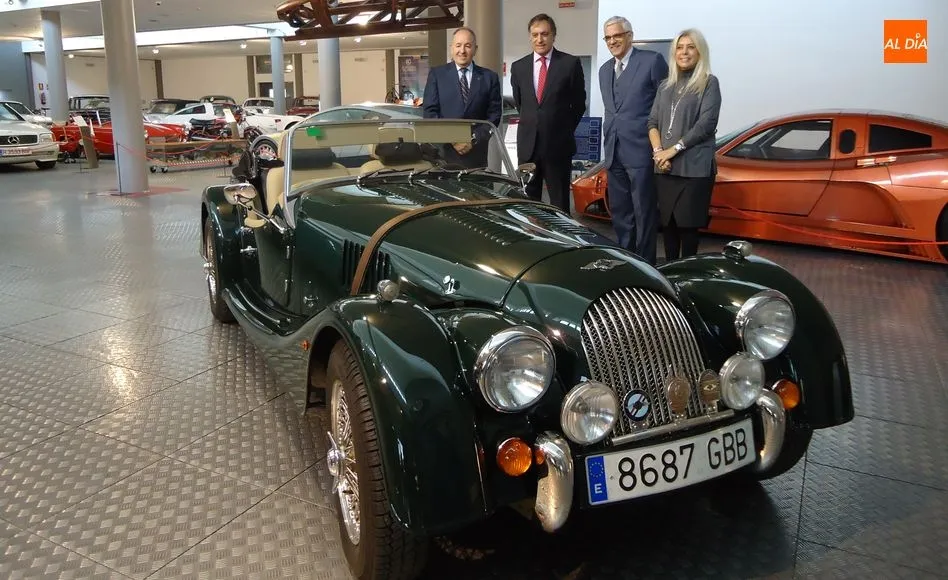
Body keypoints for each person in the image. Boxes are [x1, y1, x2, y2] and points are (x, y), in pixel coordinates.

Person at [598, 15, 668, 265]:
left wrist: (660, 147)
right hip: (614, 150)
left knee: (644, 212)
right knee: (620, 213)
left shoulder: (652, 61)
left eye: (617, 35)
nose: (612, 41)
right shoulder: (604, 69)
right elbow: (612, 111)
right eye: (608, 37)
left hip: (641, 150)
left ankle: (646, 265)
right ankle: (626, 261)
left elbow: (664, 107)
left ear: (630, 36)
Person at [647, 28, 721, 261]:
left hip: (694, 169)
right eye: (679, 47)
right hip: (665, 167)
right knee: (667, 228)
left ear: (700, 52)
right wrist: (659, 152)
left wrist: (672, 150)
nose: (684, 52)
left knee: (688, 229)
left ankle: (688, 276)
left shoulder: (709, 83)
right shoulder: (665, 86)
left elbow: (706, 125)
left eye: (690, 47)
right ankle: (670, 277)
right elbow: (652, 122)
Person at [509, 13, 587, 214]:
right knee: (529, 204)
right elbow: (521, 104)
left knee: (559, 204)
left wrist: (561, 128)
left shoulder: (569, 64)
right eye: (535, 34)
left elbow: (579, 104)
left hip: (558, 147)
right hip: (528, 148)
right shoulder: (518, 67)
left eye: (544, 34)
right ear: (530, 36)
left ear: (553, 35)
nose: (539, 39)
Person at [422, 27, 502, 168]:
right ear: (451, 48)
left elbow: (494, 115)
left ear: (475, 49)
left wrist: (472, 139)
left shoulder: (489, 77)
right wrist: (453, 139)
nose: (462, 51)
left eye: (468, 46)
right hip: (445, 156)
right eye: (458, 45)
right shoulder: (437, 75)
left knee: (479, 190)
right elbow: (430, 113)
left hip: (477, 155)